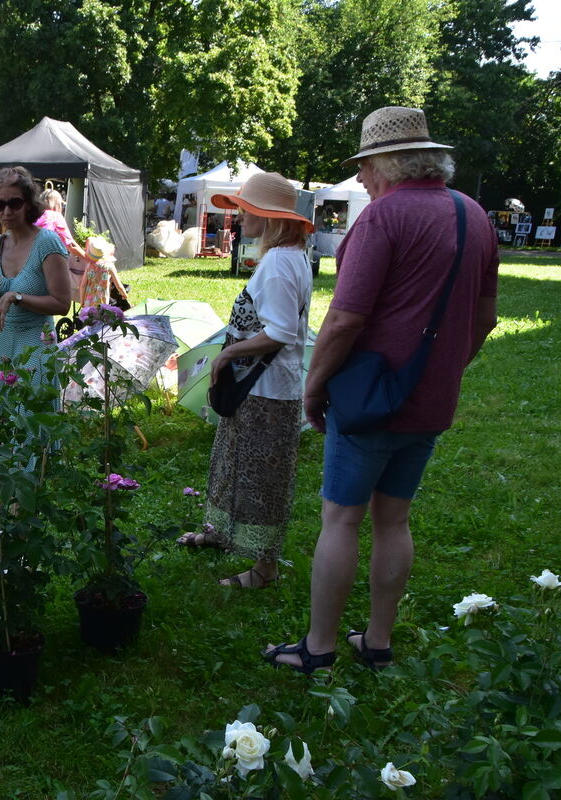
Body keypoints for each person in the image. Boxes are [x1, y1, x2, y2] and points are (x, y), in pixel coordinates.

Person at [263, 106, 499, 674]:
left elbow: (345, 320)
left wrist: (314, 387)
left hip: (368, 400)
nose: (361, 177)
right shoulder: (474, 215)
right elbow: (486, 318)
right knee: (394, 520)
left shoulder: (383, 218)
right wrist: (443, 369)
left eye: (365, 165)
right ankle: (377, 641)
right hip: (430, 402)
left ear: (389, 164)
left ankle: (319, 647)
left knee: (341, 520)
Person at [174, 172, 315, 589]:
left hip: (265, 388)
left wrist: (228, 354)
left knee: (261, 480)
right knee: (234, 463)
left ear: (268, 216)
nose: (238, 216)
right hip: (257, 386)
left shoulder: (278, 263)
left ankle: (264, 569)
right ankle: (221, 533)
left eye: (245, 208)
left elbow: (281, 332)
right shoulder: (292, 256)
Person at [0, 166, 71, 393]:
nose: (7, 211)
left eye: (15, 203)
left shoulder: (46, 242)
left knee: (29, 408)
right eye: (0, 204)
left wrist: (16, 296)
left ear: (29, 203)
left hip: (35, 345)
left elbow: (62, 304)